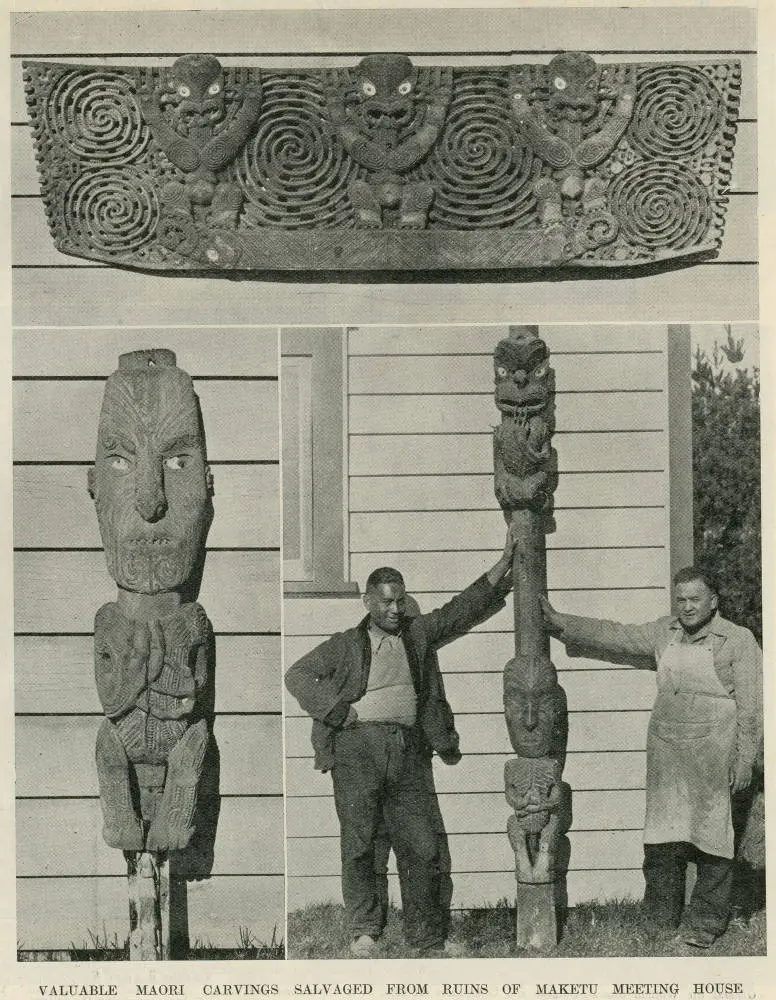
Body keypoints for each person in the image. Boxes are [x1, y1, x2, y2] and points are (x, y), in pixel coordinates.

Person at [285, 525, 518, 956]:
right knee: (361, 843)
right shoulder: (346, 645)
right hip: (357, 751)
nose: (395, 609)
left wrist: (501, 567)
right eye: (387, 601)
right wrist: (339, 711)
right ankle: (365, 931)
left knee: (422, 845)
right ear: (369, 602)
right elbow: (298, 675)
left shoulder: (417, 634)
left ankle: (427, 937)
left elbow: (458, 611)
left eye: (401, 600)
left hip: (409, 751)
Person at [539, 567, 762, 948]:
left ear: (714, 601)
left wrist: (744, 762)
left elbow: (752, 709)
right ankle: (660, 920)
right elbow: (618, 635)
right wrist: (563, 623)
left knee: (714, 842)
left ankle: (705, 923)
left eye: (695, 599)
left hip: (713, 754)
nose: (687, 607)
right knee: (662, 840)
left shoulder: (738, 640)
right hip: (668, 752)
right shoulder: (665, 631)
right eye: (681, 600)